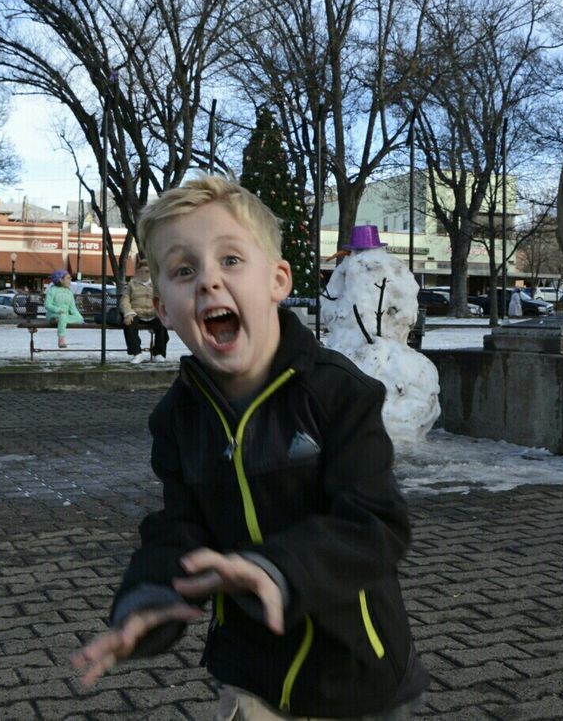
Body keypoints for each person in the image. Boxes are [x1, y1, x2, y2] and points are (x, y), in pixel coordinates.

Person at [71, 175, 428, 719]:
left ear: (278, 280)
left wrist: (275, 569)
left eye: (231, 260)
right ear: (163, 309)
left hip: (358, 678)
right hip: (251, 676)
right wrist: (149, 598)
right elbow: (180, 528)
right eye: (183, 270)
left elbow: (376, 525)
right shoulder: (178, 419)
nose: (209, 283)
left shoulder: (338, 394)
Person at [120, 258, 169, 364]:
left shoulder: (157, 284)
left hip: (153, 313)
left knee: (162, 323)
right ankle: (137, 353)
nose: (144, 273)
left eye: (147, 271)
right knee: (129, 323)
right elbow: (124, 300)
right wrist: (128, 312)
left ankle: (159, 353)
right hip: (136, 313)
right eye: (142, 271)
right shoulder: (132, 284)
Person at [44, 269, 83, 348]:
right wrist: (57, 310)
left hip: (65, 315)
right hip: (53, 314)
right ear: (61, 280)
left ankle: (60, 321)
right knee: (63, 316)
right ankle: (61, 339)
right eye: (68, 278)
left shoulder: (69, 292)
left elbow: (73, 308)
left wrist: (79, 317)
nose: (70, 280)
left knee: (78, 318)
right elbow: (47, 304)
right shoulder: (52, 290)